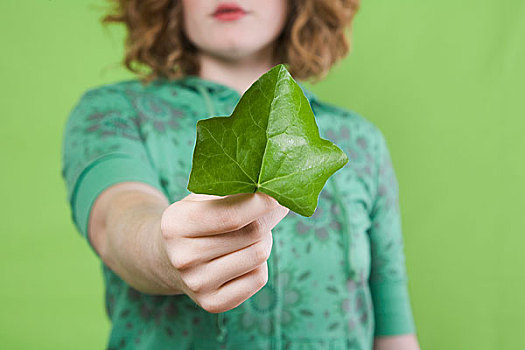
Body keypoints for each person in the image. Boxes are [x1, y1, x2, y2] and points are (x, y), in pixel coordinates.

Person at [61, 0, 420, 349]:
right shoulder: (114, 112)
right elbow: (117, 219)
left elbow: (393, 326)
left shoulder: (360, 141)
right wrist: (163, 249)